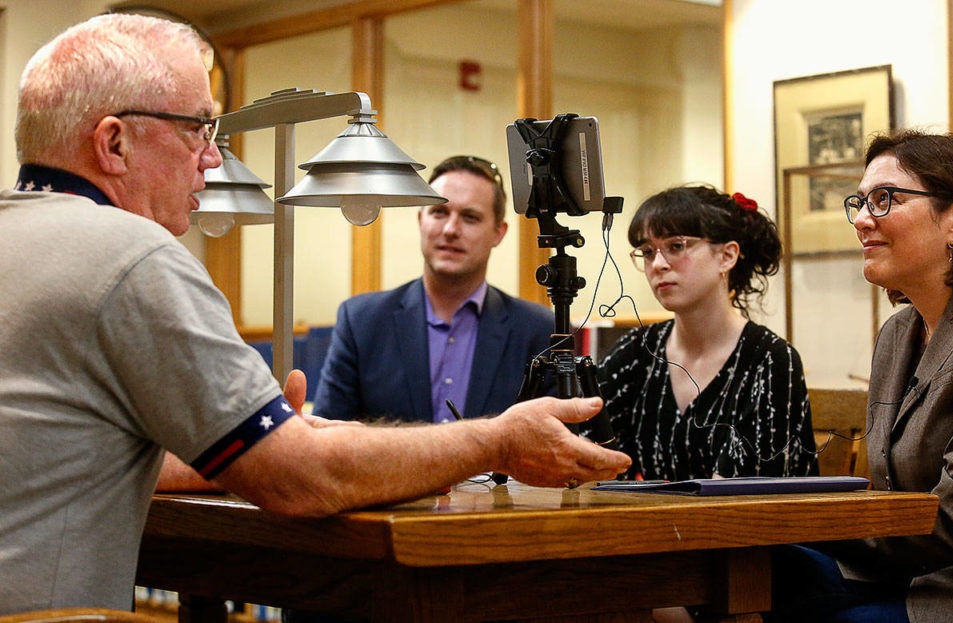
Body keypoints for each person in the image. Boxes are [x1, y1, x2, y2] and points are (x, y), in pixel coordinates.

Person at [0, 14, 630, 615]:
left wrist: (255, 443)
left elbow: (74, 447)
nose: (212, 158)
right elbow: (301, 482)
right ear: (113, 142)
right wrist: (500, 440)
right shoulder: (133, 258)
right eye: (198, 129)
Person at [767, 130, 953, 623]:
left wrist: (807, 520)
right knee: (749, 570)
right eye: (860, 202)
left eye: (885, 199)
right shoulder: (898, 332)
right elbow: (888, 497)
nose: (862, 220)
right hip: (897, 569)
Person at [588, 185, 817, 480]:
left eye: (677, 246)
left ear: (727, 256)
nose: (657, 264)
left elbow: (746, 494)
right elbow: (594, 460)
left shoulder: (770, 360)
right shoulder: (636, 352)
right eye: (647, 252)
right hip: (648, 522)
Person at [313, 155, 555, 423]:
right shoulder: (361, 321)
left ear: (499, 233)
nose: (451, 229)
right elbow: (327, 438)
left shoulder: (539, 331)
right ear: (421, 220)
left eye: (470, 217)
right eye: (439, 213)